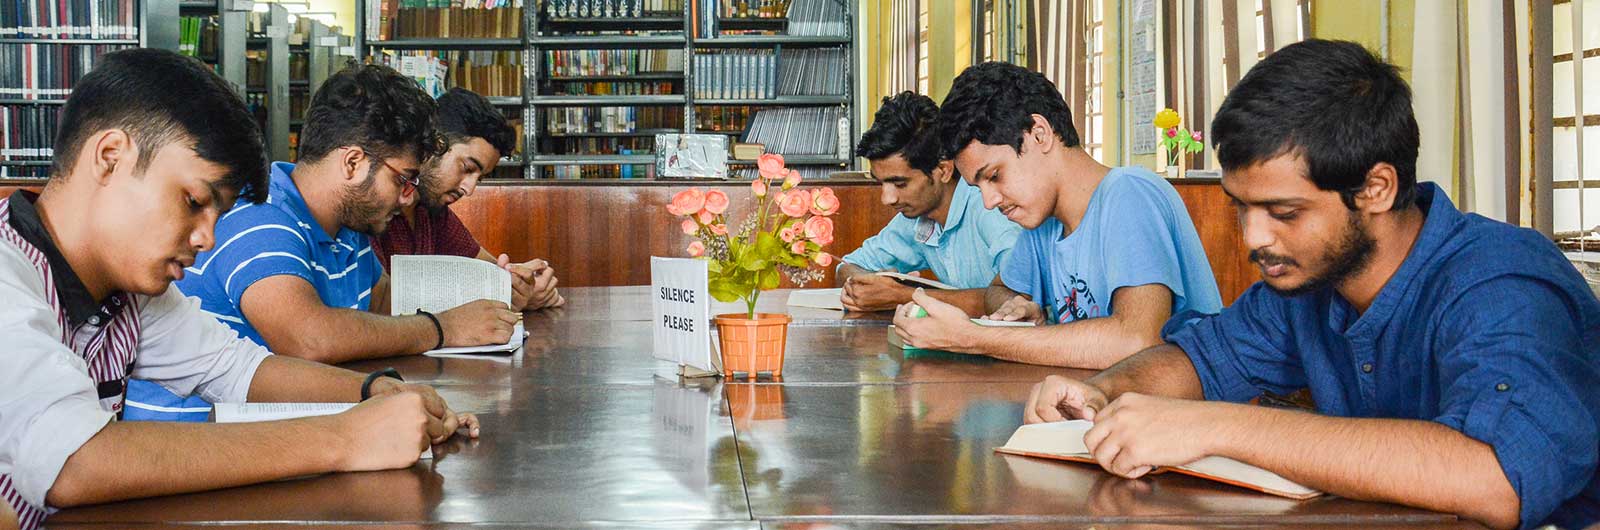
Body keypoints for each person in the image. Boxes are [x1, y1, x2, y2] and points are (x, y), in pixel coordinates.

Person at [1023, 40, 1599, 529]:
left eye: (1284, 211)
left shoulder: (1499, 283)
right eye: (1242, 208)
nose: (1253, 238)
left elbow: (1497, 478)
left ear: (1375, 188)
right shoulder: (1308, 283)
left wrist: (1214, 427)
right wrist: (1102, 392)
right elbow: (1201, 358)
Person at [0, 49, 478, 530]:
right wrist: (345, 437)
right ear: (110, 158)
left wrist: (377, 392)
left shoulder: (130, 290)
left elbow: (238, 370)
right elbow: (74, 462)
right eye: (193, 201)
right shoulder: (8, 275)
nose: (207, 237)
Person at [123, 64, 517, 421]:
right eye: (403, 179)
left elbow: (384, 301)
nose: (409, 197)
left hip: (275, 430)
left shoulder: (348, 225)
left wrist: (497, 294)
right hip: (199, 449)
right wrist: (442, 328)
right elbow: (308, 338)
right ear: (352, 163)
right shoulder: (259, 215)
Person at [891, 62, 1222, 369]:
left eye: (994, 176)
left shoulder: (1129, 193)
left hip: (1180, 422)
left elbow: (1137, 339)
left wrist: (975, 338)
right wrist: (1016, 306)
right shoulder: (1044, 224)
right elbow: (998, 289)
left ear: (1039, 134)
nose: (989, 202)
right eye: (979, 187)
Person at [373, 88, 564, 311]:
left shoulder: (434, 211)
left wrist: (524, 285)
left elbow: (492, 271)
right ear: (434, 145)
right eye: (467, 168)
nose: (469, 189)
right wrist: (502, 296)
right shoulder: (371, 207)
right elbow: (379, 305)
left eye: (479, 178)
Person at [836, 91, 1020, 314]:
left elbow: (1015, 297)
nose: (887, 198)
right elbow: (846, 266)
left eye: (900, 184)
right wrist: (868, 287)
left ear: (943, 170)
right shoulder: (916, 216)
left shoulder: (990, 208)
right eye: (881, 183)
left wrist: (903, 296)